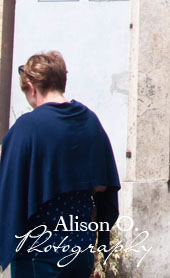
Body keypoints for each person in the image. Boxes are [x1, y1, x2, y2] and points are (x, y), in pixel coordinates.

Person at [0, 51, 120, 278]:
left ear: (31, 87)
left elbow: (10, 191)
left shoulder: (27, 128)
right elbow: (103, 186)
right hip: (80, 252)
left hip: (40, 255)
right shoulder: (90, 121)